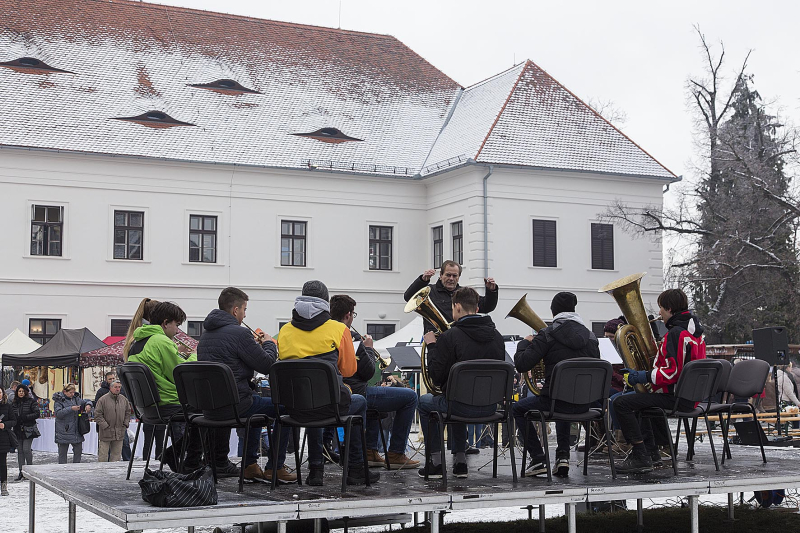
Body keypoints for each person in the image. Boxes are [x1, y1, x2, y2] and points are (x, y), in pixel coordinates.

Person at [277, 280, 378, 487]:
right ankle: (356, 468)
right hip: (329, 405)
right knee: (355, 402)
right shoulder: (339, 329)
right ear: (325, 302)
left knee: (312, 400)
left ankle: (316, 470)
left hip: (294, 407)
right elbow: (349, 370)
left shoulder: (285, 330)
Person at [198, 287, 296, 484]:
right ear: (235, 310)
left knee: (254, 402)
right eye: (244, 310)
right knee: (287, 408)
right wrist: (269, 344)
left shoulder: (205, 335)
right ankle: (275, 468)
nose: (244, 315)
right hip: (236, 405)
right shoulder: (240, 334)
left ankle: (251, 465)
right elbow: (267, 365)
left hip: (211, 409)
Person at [613, 288, 707, 474]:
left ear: (670, 309)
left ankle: (641, 456)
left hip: (677, 397)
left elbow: (672, 373)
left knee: (620, 403)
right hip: (689, 396)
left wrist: (643, 376)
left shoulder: (676, 334)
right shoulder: (696, 334)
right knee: (638, 398)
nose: (659, 313)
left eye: (661, 308)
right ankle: (651, 452)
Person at [416, 287, 506, 479]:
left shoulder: (451, 337)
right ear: (478, 307)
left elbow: (436, 377)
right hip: (490, 407)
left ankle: (436, 462)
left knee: (426, 402)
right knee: (456, 396)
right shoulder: (497, 337)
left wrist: (432, 346)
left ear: (456, 306)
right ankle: (460, 460)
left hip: (459, 407)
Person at [513, 292, 600, 477]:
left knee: (518, 409)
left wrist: (524, 343)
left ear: (553, 312)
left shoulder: (547, 334)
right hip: (586, 404)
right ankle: (562, 456)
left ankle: (537, 458)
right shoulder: (592, 337)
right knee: (565, 395)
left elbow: (521, 364)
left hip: (556, 403)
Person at [332, 295, 419, 470]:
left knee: (377, 400)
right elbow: (368, 371)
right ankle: (396, 453)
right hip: (355, 393)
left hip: (335, 394)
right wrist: (369, 348)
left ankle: (371, 451)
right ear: (348, 315)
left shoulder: (325, 332)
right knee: (410, 397)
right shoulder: (351, 336)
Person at [127, 301, 206, 474]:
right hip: (167, 403)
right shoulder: (160, 341)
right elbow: (180, 374)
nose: (177, 331)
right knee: (209, 413)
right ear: (165, 323)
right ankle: (191, 462)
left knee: (201, 414)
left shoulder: (137, 343)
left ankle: (173, 453)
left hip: (146, 408)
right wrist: (194, 356)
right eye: (176, 325)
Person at [123, 298, 167, 461]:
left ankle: (150, 459)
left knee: (150, 439)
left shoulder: (134, 340)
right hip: (159, 401)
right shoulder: (154, 339)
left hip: (144, 404)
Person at [96, 371, 132, 462]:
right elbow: (98, 414)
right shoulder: (102, 399)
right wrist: (105, 426)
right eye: (115, 387)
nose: (118, 389)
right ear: (111, 388)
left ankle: (114, 471)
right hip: (106, 432)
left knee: (116, 455)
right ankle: (102, 471)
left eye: (119, 387)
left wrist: (125, 423)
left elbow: (128, 412)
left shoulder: (123, 399)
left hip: (119, 431)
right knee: (103, 455)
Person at [53, 383, 92, 464]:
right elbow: (58, 414)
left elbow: (87, 401)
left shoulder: (76, 399)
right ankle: (62, 469)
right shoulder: (59, 401)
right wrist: (71, 408)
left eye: (73, 392)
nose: (72, 394)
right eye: (70, 392)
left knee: (78, 451)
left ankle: (76, 468)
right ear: (64, 392)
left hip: (76, 430)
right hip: (64, 431)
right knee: (62, 453)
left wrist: (88, 405)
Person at [11, 384, 39, 480]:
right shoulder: (14, 403)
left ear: (26, 392)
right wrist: (15, 420)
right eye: (19, 391)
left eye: (23, 391)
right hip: (18, 429)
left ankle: (30, 471)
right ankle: (21, 471)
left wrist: (26, 417)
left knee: (26, 449)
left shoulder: (31, 402)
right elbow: (11, 414)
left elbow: (36, 413)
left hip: (28, 429)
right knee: (20, 451)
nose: (21, 393)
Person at [0, 387, 16, 496]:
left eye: (0, 392)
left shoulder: (7, 406)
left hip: (3, 438)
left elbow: (14, 421)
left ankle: (4, 484)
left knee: (2, 463)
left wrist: (4, 425)